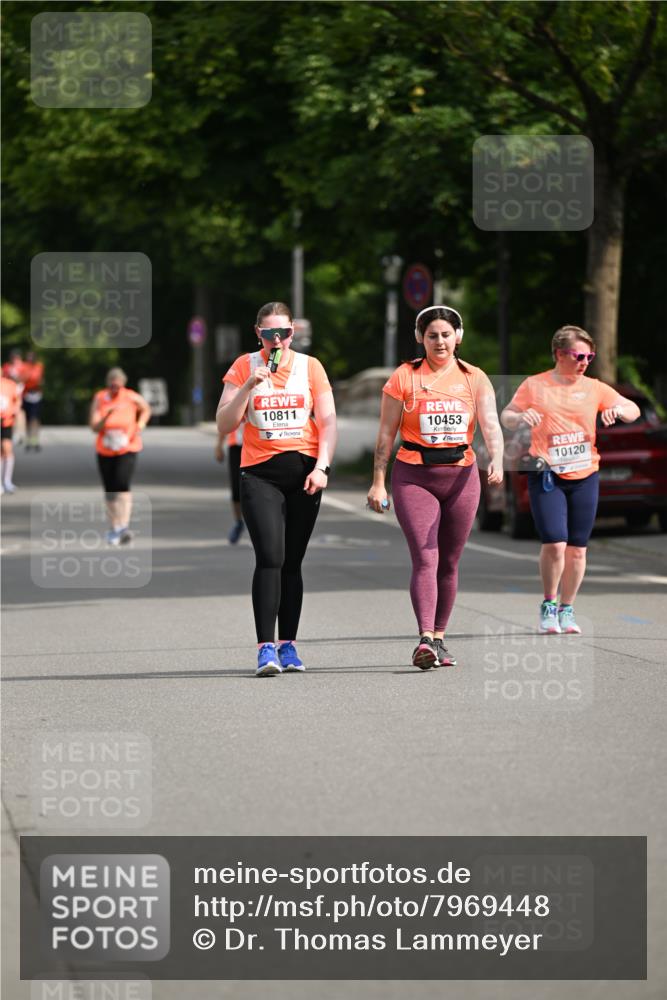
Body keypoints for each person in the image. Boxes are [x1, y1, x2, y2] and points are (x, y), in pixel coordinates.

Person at [367, 305, 504, 669]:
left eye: (446, 334)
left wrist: (498, 459)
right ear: (420, 338)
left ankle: (440, 637)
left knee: (450, 561)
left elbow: (490, 424)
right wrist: (378, 482)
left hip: (462, 476)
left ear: (458, 337)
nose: (439, 341)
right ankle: (425, 637)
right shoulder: (404, 377)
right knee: (426, 556)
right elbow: (385, 433)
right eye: (432, 335)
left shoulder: (475, 378)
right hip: (415, 475)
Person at [216, 301, 337, 676]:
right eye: (268, 334)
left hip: (303, 474)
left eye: (283, 333)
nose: (276, 340)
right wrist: (249, 387)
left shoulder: (310, 367)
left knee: (292, 562)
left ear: (292, 333)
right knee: (270, 556)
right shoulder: (243, 367)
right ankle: (265, 648)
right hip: (260, 475)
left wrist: (322, 468)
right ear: (258, 334)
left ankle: (289, 646)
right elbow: (224, 424)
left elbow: (328, 421)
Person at [500, 325, 640, 635]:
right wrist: (520, 417)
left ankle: (567, 608)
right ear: (559, 354)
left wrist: (617, 409)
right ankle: (549, 605)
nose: (585, 361)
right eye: (579, 355)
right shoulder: (535, 385)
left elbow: (633, 409)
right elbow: (507, 415)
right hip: (547, 474)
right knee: (555, 542)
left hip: (585, 474)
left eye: (589, 356)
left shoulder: (594, 387)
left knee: (578, 549)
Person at [89, 368, 151, 545]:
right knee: (110, 491)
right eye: (111, 385)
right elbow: (94, 427)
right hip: (105, 449)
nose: (114, 388)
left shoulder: (131, 397)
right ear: (108, 383)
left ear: (123, 384)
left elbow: (146, 408)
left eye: (118, 385)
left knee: (122, 484)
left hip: (127, 447)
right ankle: (114, 527)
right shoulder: (100, 398)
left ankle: (124, 526)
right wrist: (106, 417)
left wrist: (140, 424)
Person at [215, 422, 245, 544]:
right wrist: (219, 445)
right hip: (236, 446)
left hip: (258, 447)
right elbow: (225, 420)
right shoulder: (234, 401)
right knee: (236, 490)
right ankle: (238, 522)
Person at [1, 373, 21, 494]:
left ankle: (7, 481)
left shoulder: (9, 384)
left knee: (7, 448)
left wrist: (15, 410)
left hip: (6, 421)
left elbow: (17, 401)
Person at [21, 351, 45, 451]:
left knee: (35, 418)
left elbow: (41, 379)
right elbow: (21, 379)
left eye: (32, 357)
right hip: (27, 394)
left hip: (36, 394)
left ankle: (35, 440)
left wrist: (40, 382)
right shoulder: (24, 366)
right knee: (27, 418)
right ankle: (28, 439)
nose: (30, 359)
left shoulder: (39, 366)